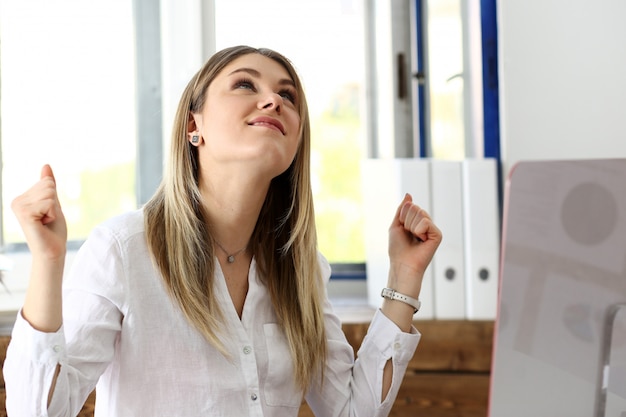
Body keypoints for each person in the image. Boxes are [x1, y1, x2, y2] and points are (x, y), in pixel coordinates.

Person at [4, 45, 442, 416]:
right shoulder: (123, 250)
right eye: (246, 85)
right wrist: (47, 261)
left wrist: (404, 277)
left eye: (287, 95)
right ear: (194, 126)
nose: (274, 101)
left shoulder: (301, 269)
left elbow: (351, 410)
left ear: (295, 145)